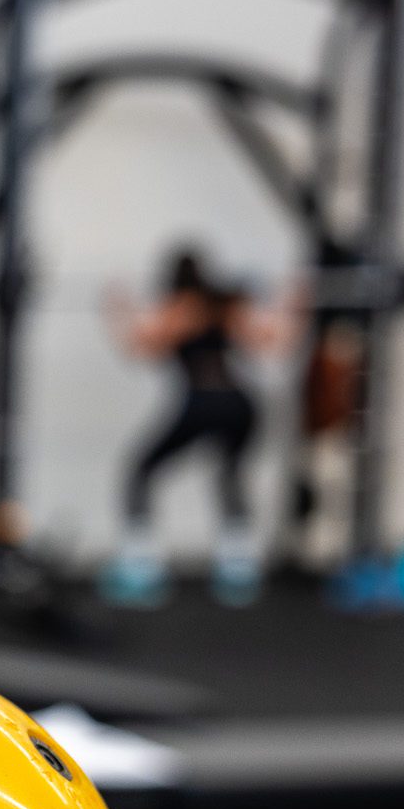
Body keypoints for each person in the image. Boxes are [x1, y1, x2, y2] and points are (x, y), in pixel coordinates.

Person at [100, 246, 299, 607]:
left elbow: (142, 345)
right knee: (230, 475)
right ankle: (238, 569)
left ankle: (140, 567)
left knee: (141, 471)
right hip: (242, 404)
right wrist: (292, 306)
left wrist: (117, 310)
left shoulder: (182, 307)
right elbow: (272, 340)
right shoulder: (224, 306)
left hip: (205, 402)